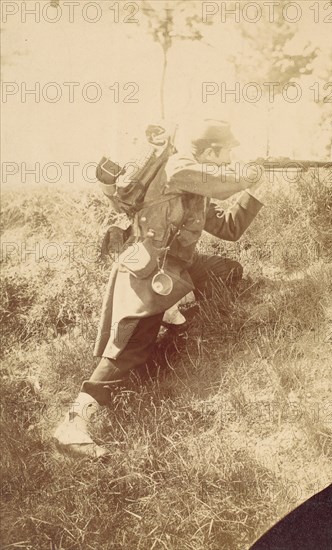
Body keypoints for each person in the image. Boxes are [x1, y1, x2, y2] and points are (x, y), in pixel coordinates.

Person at [53, 119, 266, 458]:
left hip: (175, 268)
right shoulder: (179, 166)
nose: (228, 159)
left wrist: (255, 191)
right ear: (210, 151)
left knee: (227, 271)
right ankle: (75, 422)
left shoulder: (196, 187)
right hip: (148, 271)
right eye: (226, 152)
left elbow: (229, 229)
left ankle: (178, 320)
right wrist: (248, 175)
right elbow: (223, 183)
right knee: (130, 346)